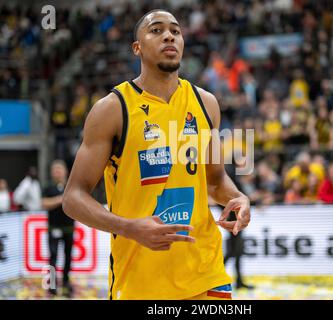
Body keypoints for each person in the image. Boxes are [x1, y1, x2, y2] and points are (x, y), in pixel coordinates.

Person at [63, 9, 251, 300]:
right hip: (140, 282)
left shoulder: (206, 103)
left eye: (175, 31)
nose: (169, 36)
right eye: (156, 30)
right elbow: (73, 197)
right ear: (137, 48)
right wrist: (127, 228)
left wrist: (237, 198)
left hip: (206, 274)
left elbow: (214, 181)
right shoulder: (112, 109)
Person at [42, 160, 75, 297]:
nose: (57, 172)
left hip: (69, 228)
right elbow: (44, 203)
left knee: (68, 256)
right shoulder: (48, 187)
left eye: (59, 169)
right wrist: (61, 199)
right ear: (51, 172)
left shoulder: (71, 186)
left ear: (65, 171)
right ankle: (52, 284)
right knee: (53, 257)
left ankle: (66, 281)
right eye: (55, 169)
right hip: (53, 228)